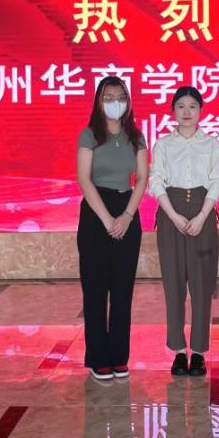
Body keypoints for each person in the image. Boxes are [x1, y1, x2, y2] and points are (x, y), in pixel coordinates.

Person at [149, 86, 219, 377]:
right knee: (174, 285)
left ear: (200, 111)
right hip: (171, 212)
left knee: (202, 286)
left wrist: (202, 215)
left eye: (192, 106)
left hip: (203, 214)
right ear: (173, 110)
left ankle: (199, 352)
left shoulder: (212, 145)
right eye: (181, 106)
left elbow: (218, 182)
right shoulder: (163, 145)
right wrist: (173, 215)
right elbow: (156, 181)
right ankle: (179, 351)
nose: (186, 111)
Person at [76, 76, 148, 381]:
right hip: (96, 214)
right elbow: (84, 179)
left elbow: (142, 178)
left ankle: (119, 356)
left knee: (122, 291)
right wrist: (107, 220)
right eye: (108, 98)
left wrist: (127, 216)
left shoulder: (136, 137)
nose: (114, 103)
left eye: (120, 97)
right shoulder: (89, 134)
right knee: (95, 290)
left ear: (128, 102)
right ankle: (98, 358)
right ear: (98, 101)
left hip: (127, 211)